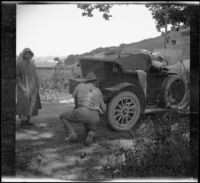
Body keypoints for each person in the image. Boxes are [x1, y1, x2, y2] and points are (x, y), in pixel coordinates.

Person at [60, 72, 107, 146]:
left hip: (81, 111)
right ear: (95, 82)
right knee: (89, 121)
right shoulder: (98, 91)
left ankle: (72, 134)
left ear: (86, 81)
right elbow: (104, 109)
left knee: (62, 116)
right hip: (95, 117)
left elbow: (74, 97)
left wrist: (77, 106)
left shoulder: (80, 86)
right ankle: (91, 131)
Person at [16, 48, 42, 127]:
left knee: (31, 104)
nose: (27, 55)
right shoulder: (19, 64)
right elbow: (17, 77)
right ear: (23, 54)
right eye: (26, 53)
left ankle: (27, 121)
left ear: (31, 55)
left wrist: (37, 86)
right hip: (23, 88)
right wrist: (22, 87)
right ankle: (23, 122)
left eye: (29, 54)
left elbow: (35, 77)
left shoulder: (33, 65)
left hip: (33, 88)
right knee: (24, 105)